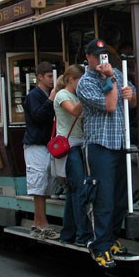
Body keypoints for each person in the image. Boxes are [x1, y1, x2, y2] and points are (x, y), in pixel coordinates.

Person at [77, 38, 137, 268]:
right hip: (99, 145)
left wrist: (131, 95)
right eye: (98, 56)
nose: (103, 59)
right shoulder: (85, 82)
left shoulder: (118, 74)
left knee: (119, 198)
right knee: (102, 198)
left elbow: (129, 102)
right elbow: (111, 105)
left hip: (119, 143)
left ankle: (111, 239)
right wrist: (110, 78)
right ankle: (98, 245)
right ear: (89, 58)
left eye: (105, 55)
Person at [53, 64, 92, 246]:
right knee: (80, 190)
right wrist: (88, 94)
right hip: (69, 147)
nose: (82, 85)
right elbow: (75, 111)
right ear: (70, 79)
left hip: (78, 145)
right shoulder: (62, 95)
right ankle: (82, 236)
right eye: (80, 81)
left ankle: (67, 234)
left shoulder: (75, 95)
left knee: (72, 192)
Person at [22, 61, 59, 240]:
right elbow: (37, 117)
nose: (52, 80)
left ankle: (37, 224)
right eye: (49, 76)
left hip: (45, 145)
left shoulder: (43, 94)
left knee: (44, 186)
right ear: (40, 77)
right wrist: (51, 99)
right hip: (36, 145)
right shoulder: (34, 95)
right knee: (38, 186)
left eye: (53, 76)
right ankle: (42, 224)